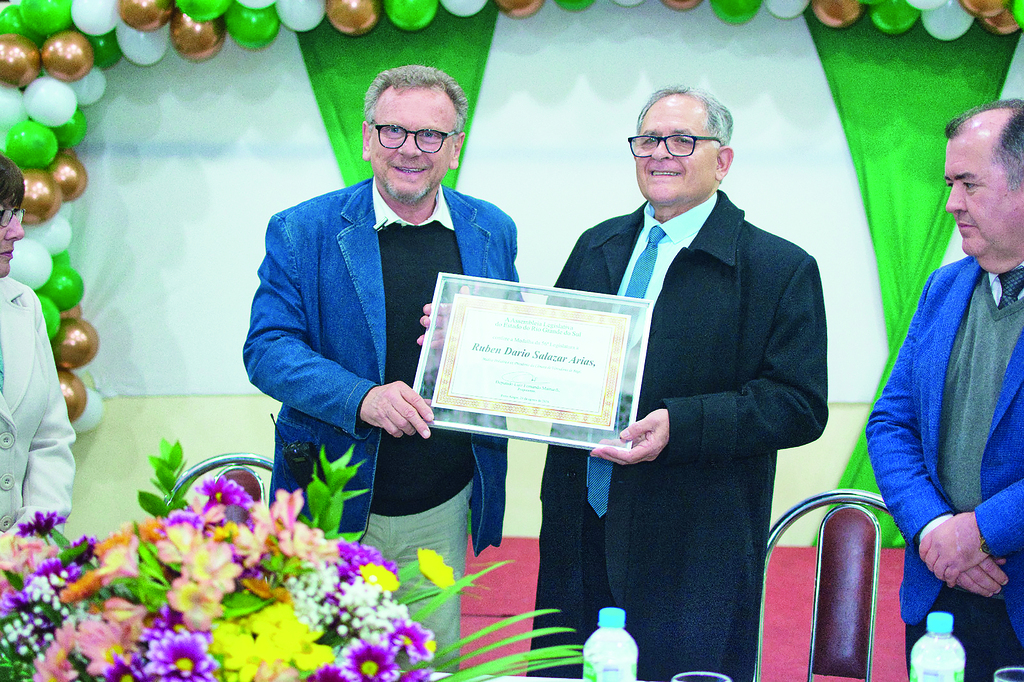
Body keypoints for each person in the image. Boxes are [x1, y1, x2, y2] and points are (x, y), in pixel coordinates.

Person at [530, 87, 828, 682]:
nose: (660, 153)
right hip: (579, 527)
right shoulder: (597, 246)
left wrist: (683, 424)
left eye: (683, 140)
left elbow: (799, 404)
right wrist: (462, 342)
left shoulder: (778, 267)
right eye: (647, 140)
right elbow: (553, 358)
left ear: (723, 161)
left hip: (694, 540)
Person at [243, 65, 518, 650]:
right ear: (367, 137)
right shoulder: (303, 229)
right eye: (393, 131)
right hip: (331, 499)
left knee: (428, 660)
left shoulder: (492, 229)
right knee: (323, 659)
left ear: (455, 148)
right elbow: (267, 350)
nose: (410, 149)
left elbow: (511, 343)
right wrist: (361, 398)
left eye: (430, 136)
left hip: (443, 503)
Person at [867, 100, 1024, 679]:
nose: (952, 203)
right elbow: (890, 423)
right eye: (949, 183)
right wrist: (936, 530)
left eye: (969, 184)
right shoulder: (945, 287)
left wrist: (980, 534)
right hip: (939, 596)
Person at [0, 152, 76, 534]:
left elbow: (50, 439)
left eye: (15, 213)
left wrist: (29, 540)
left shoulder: (23, 304)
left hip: (20, 567)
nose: (17, 231)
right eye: (1, 216)